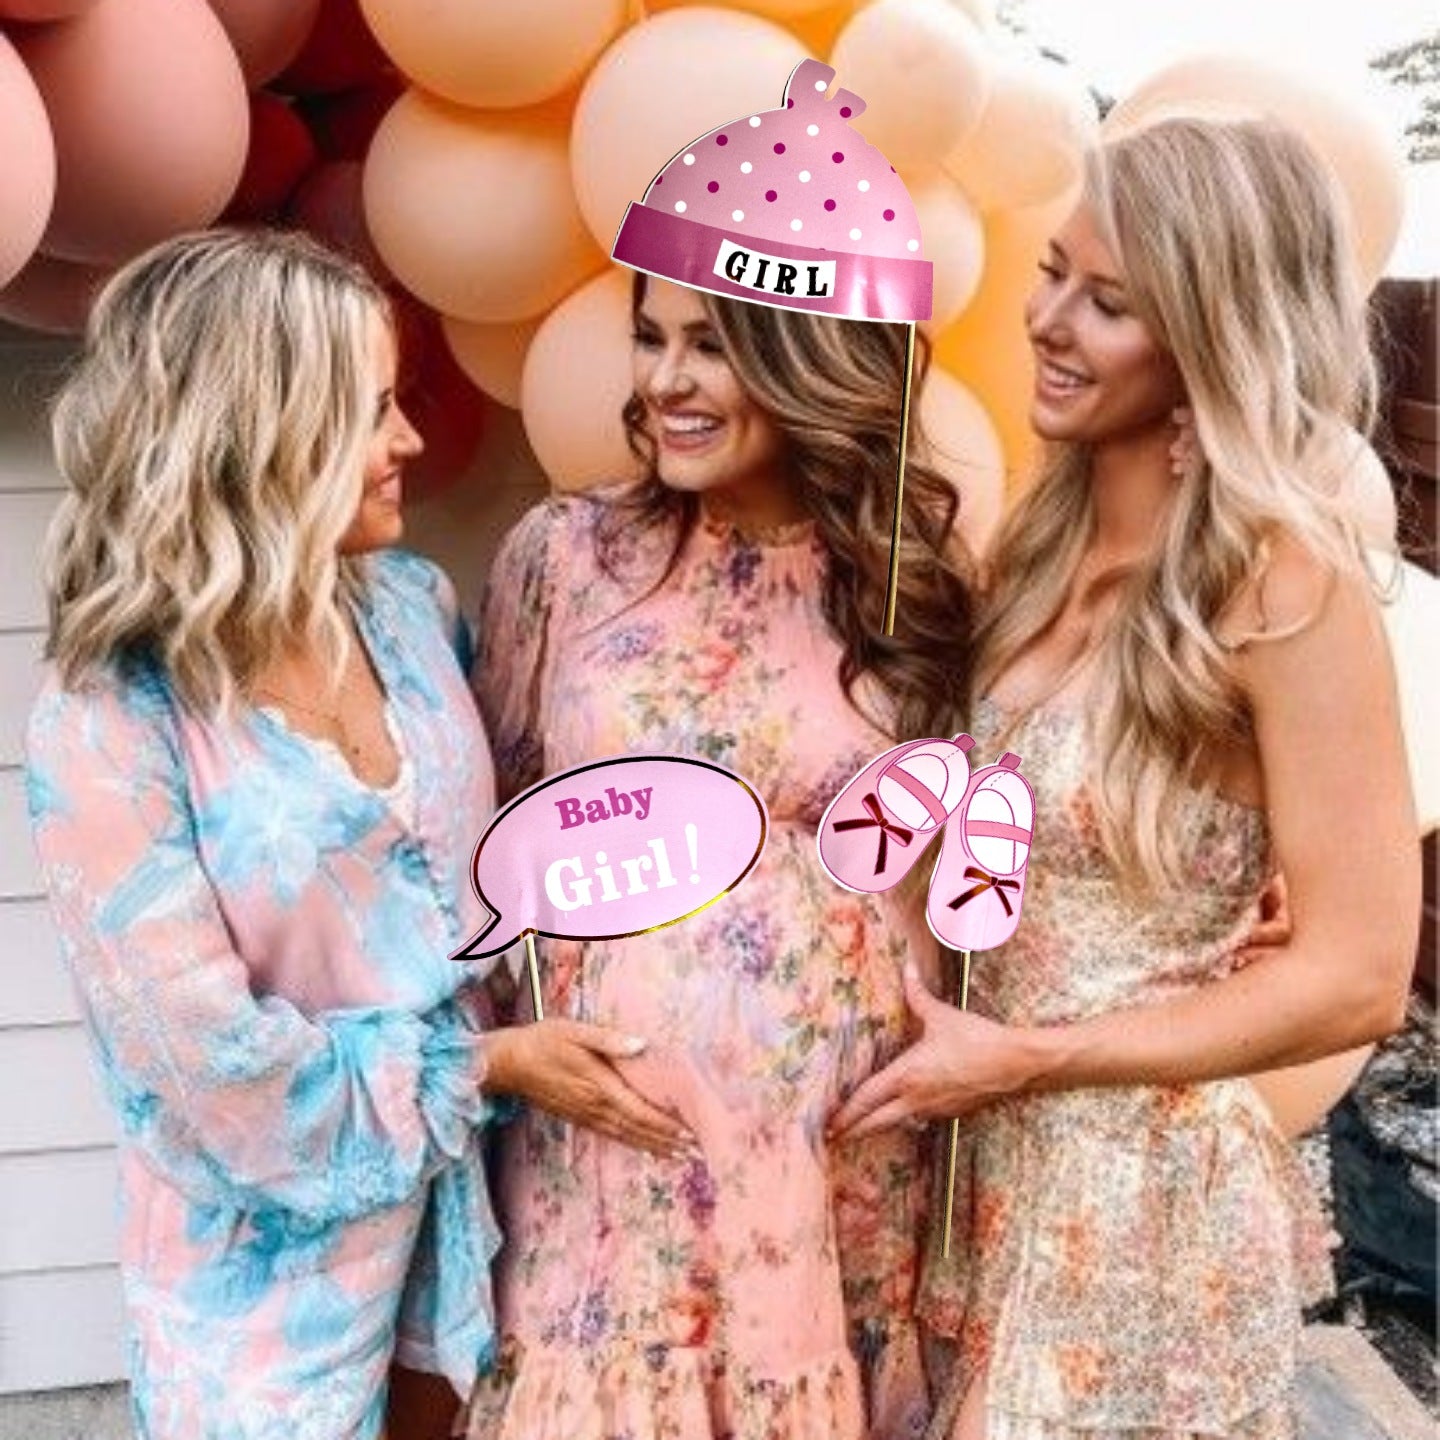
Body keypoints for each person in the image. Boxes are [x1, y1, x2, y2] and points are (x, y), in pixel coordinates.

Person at [24, 228, 692, 1440]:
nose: (410, 442)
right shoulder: (110, 721)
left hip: (469, 1250)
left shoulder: (412, 610)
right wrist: (487, 1067)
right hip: (267, 1312)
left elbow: (512, 867)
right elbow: (214, 1080)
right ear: (261, 431)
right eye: (372, 409)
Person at [829, 117, 1420, 1439]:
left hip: (1136, 1215)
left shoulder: (1283, 589)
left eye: (1107, 303)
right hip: (965, 1181)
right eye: (1052, 273)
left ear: (1209, 336)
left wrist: (1031, 1059)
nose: (1045, 320)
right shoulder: (1025, 561)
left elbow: (1361, 974)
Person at [463, 274, 975, 1438]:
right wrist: (498, 1055)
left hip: (840, 1173)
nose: (665, 381)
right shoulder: (566, 555)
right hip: (610, 1168)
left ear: (808, 358)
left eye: (710, 347)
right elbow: (486, 823)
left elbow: (994, 823)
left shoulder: (914, 577)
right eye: (649, 340)